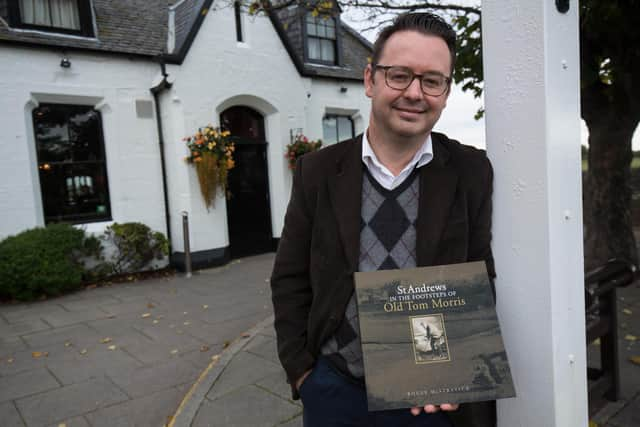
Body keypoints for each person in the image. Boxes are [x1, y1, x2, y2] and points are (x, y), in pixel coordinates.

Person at [271, 12, 496, 427]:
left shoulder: (471, 171)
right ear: (370, 79)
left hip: (430, 401)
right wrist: (303, 372)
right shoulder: (317, 172)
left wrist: (453, 372)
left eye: (432, 80)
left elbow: (479, 275)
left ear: (446, 93)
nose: (415, 93)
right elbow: (289, 278)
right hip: (336, 391)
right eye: (400, 76)